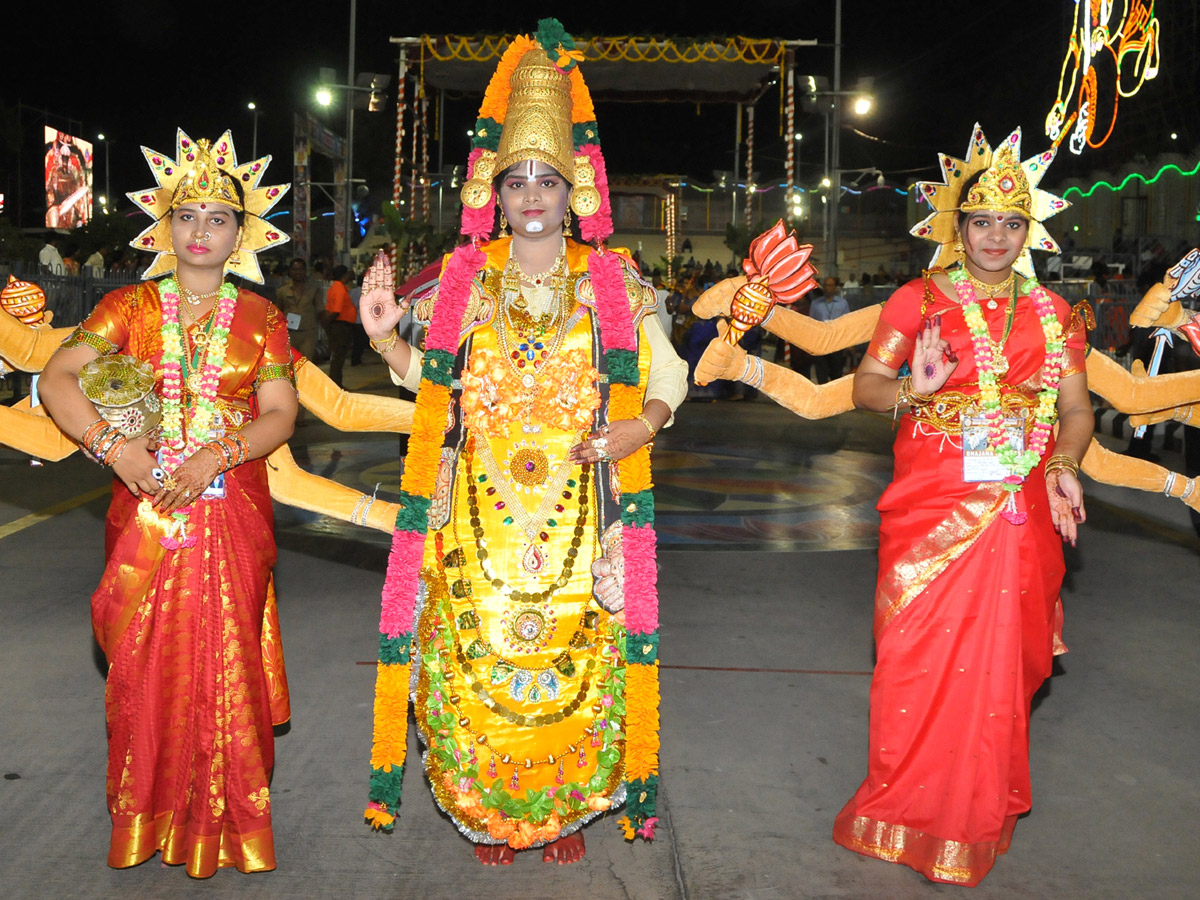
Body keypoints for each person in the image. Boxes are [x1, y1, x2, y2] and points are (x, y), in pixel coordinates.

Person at [356, 19, 686, 867]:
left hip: (581, 502)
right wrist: (387, 338)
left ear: (576, 190)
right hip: (478, 505)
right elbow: (433, 386)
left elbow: (667, 372)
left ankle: (560, 815)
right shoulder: (462, 279)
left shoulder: (612, 279)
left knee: (580, 651)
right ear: (492, 193)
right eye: (515, 182)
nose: (532, 195)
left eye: (547, 180)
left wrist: (643, 424)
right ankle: (492, 813)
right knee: (477, 652)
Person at [832, 126, 1093, 886]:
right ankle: (902, 808)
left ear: (1030, 229)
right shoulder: (916, 300)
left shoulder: (1054, 313)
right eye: (981, 221)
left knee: (998, 668)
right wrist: (914, 386)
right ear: (957, 223)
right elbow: (866, 389)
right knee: (913, 657)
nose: (995, 236)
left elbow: (1075, 410)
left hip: (1016, 508)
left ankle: (970, 814)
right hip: (931, 502)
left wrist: (1065, 464)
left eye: (1011, 222)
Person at [37, 129, 297, 877]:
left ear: (242, 234)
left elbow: (280, 413)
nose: (201, 230)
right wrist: (113, 449)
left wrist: (222, 451)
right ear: (165, 227)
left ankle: (227, 828)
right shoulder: (128, 307)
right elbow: (56, 379)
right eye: (187, 216)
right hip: (145, 512)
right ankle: (144, 822)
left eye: (219, 218)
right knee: (142, 672)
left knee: (227, 671)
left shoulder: (263, 318)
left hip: (230, 510)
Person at [275, 256, 323, 359]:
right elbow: (278, 311)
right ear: (290, 271)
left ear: (305, 271)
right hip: (288, 333)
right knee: (289, 362)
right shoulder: (282, 291)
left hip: (308, 333)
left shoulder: (314, 290)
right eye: (295, 269)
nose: (298, 272)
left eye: (301, 269)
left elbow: (320, 310)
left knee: (305, 363)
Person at [809, 276, 851, 382]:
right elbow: (811, 323)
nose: (827, 288)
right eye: (825, 285)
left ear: (835, 287)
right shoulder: (815, 304)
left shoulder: (842, 303)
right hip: (821, 343)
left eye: (830, 285)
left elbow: (848, 323)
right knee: (821, 374)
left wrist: (849, 343)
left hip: (837, 343)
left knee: (836, 375)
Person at [322, 264, 356, 386]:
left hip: (339, 325)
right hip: (341, 326)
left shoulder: (335, 287)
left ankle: (336, 383)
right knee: (338, 356)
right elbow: (337, 310)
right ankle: (336, 384)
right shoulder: (339, 288)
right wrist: (330, 324)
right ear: (344, 275)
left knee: (338, 356)